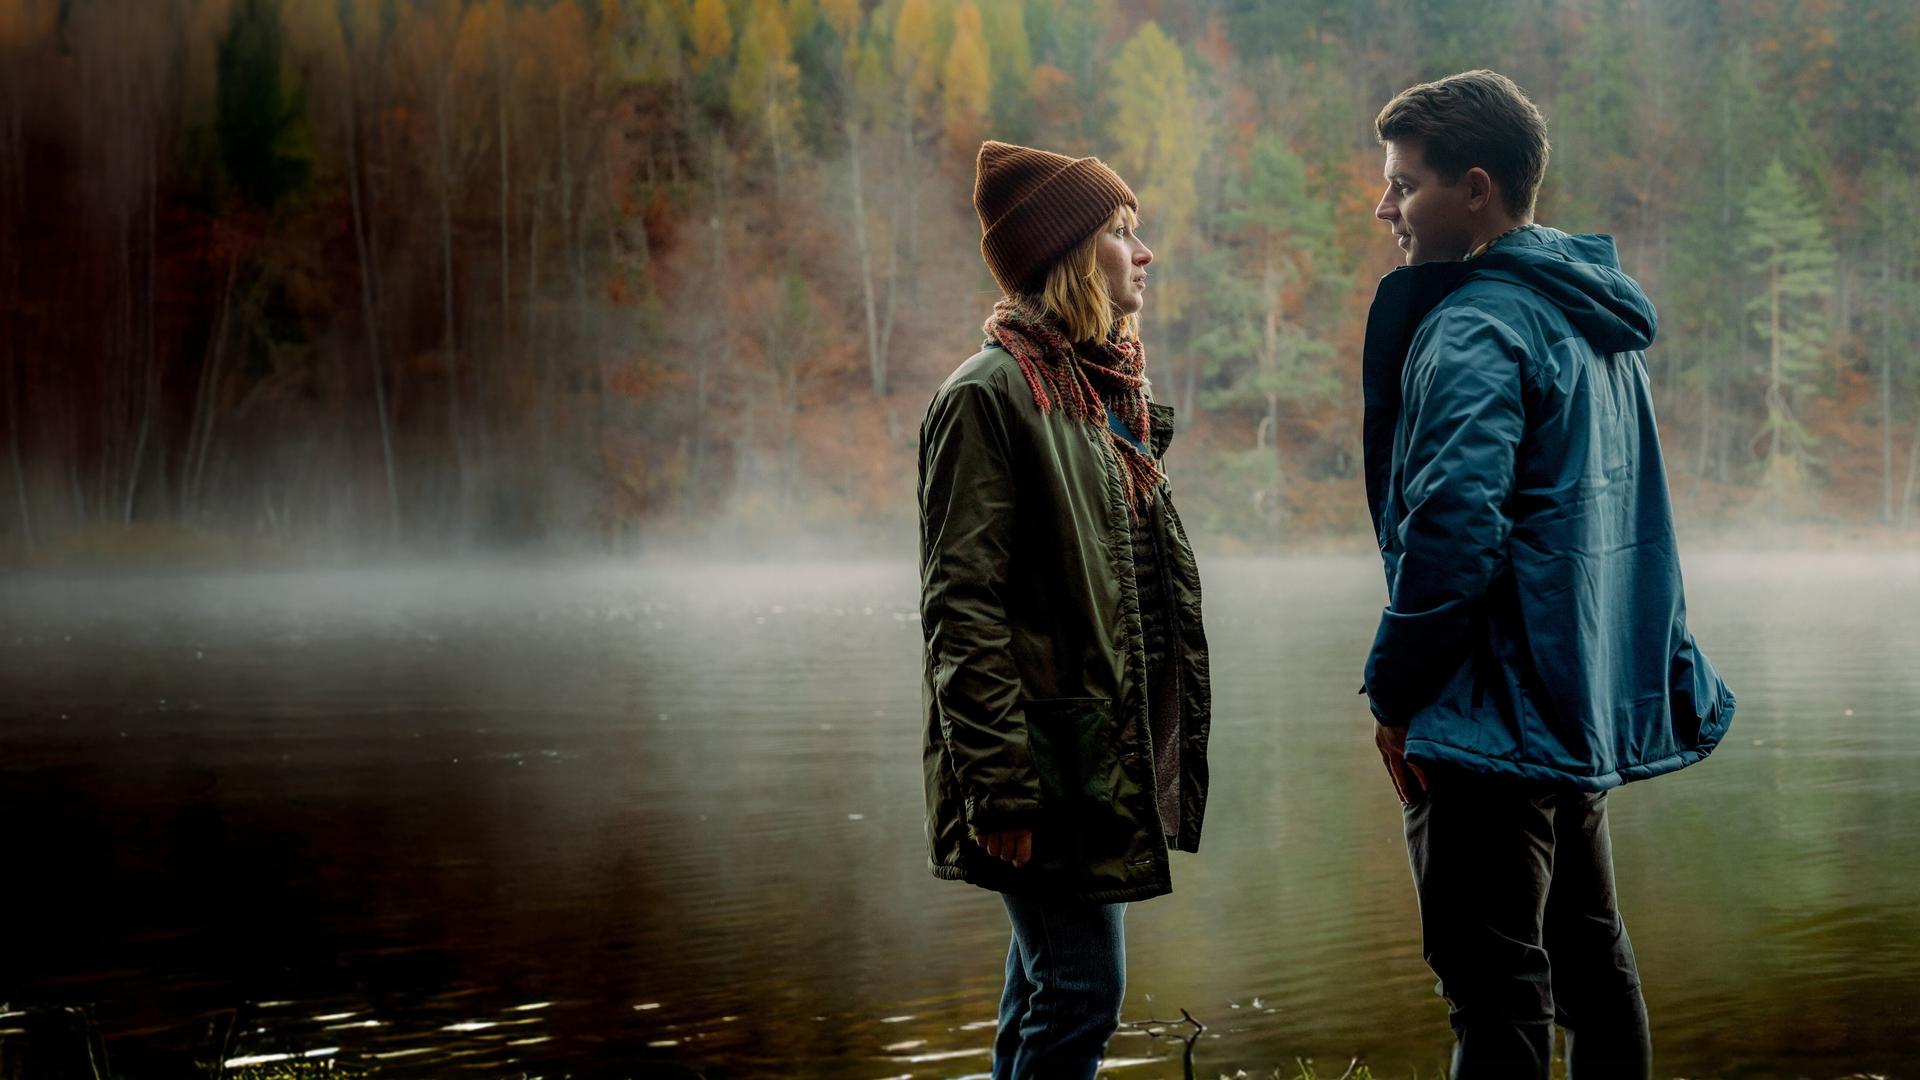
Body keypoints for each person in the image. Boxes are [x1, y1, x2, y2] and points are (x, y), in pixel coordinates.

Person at [1358, 70, 1736, 1078]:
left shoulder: (1476, 325)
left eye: (1405, 185)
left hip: (1488, 713)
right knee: (1593, 965)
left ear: (1475, 189)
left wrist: (1395, 693)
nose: (1386, 207)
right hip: (1569, 704)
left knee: (1495, 988)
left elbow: (1453, 535)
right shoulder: (1590, 318)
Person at [918, 140, 1212, 1080]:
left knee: (1049, 989)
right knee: (1081, 992)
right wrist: (998, 786)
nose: (1145, 252)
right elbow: (961, 608)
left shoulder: (1098, 394)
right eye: (1123, 233)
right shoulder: (989, 395)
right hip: (1040, 768)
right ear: (1072, 255)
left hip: (1094, 760)